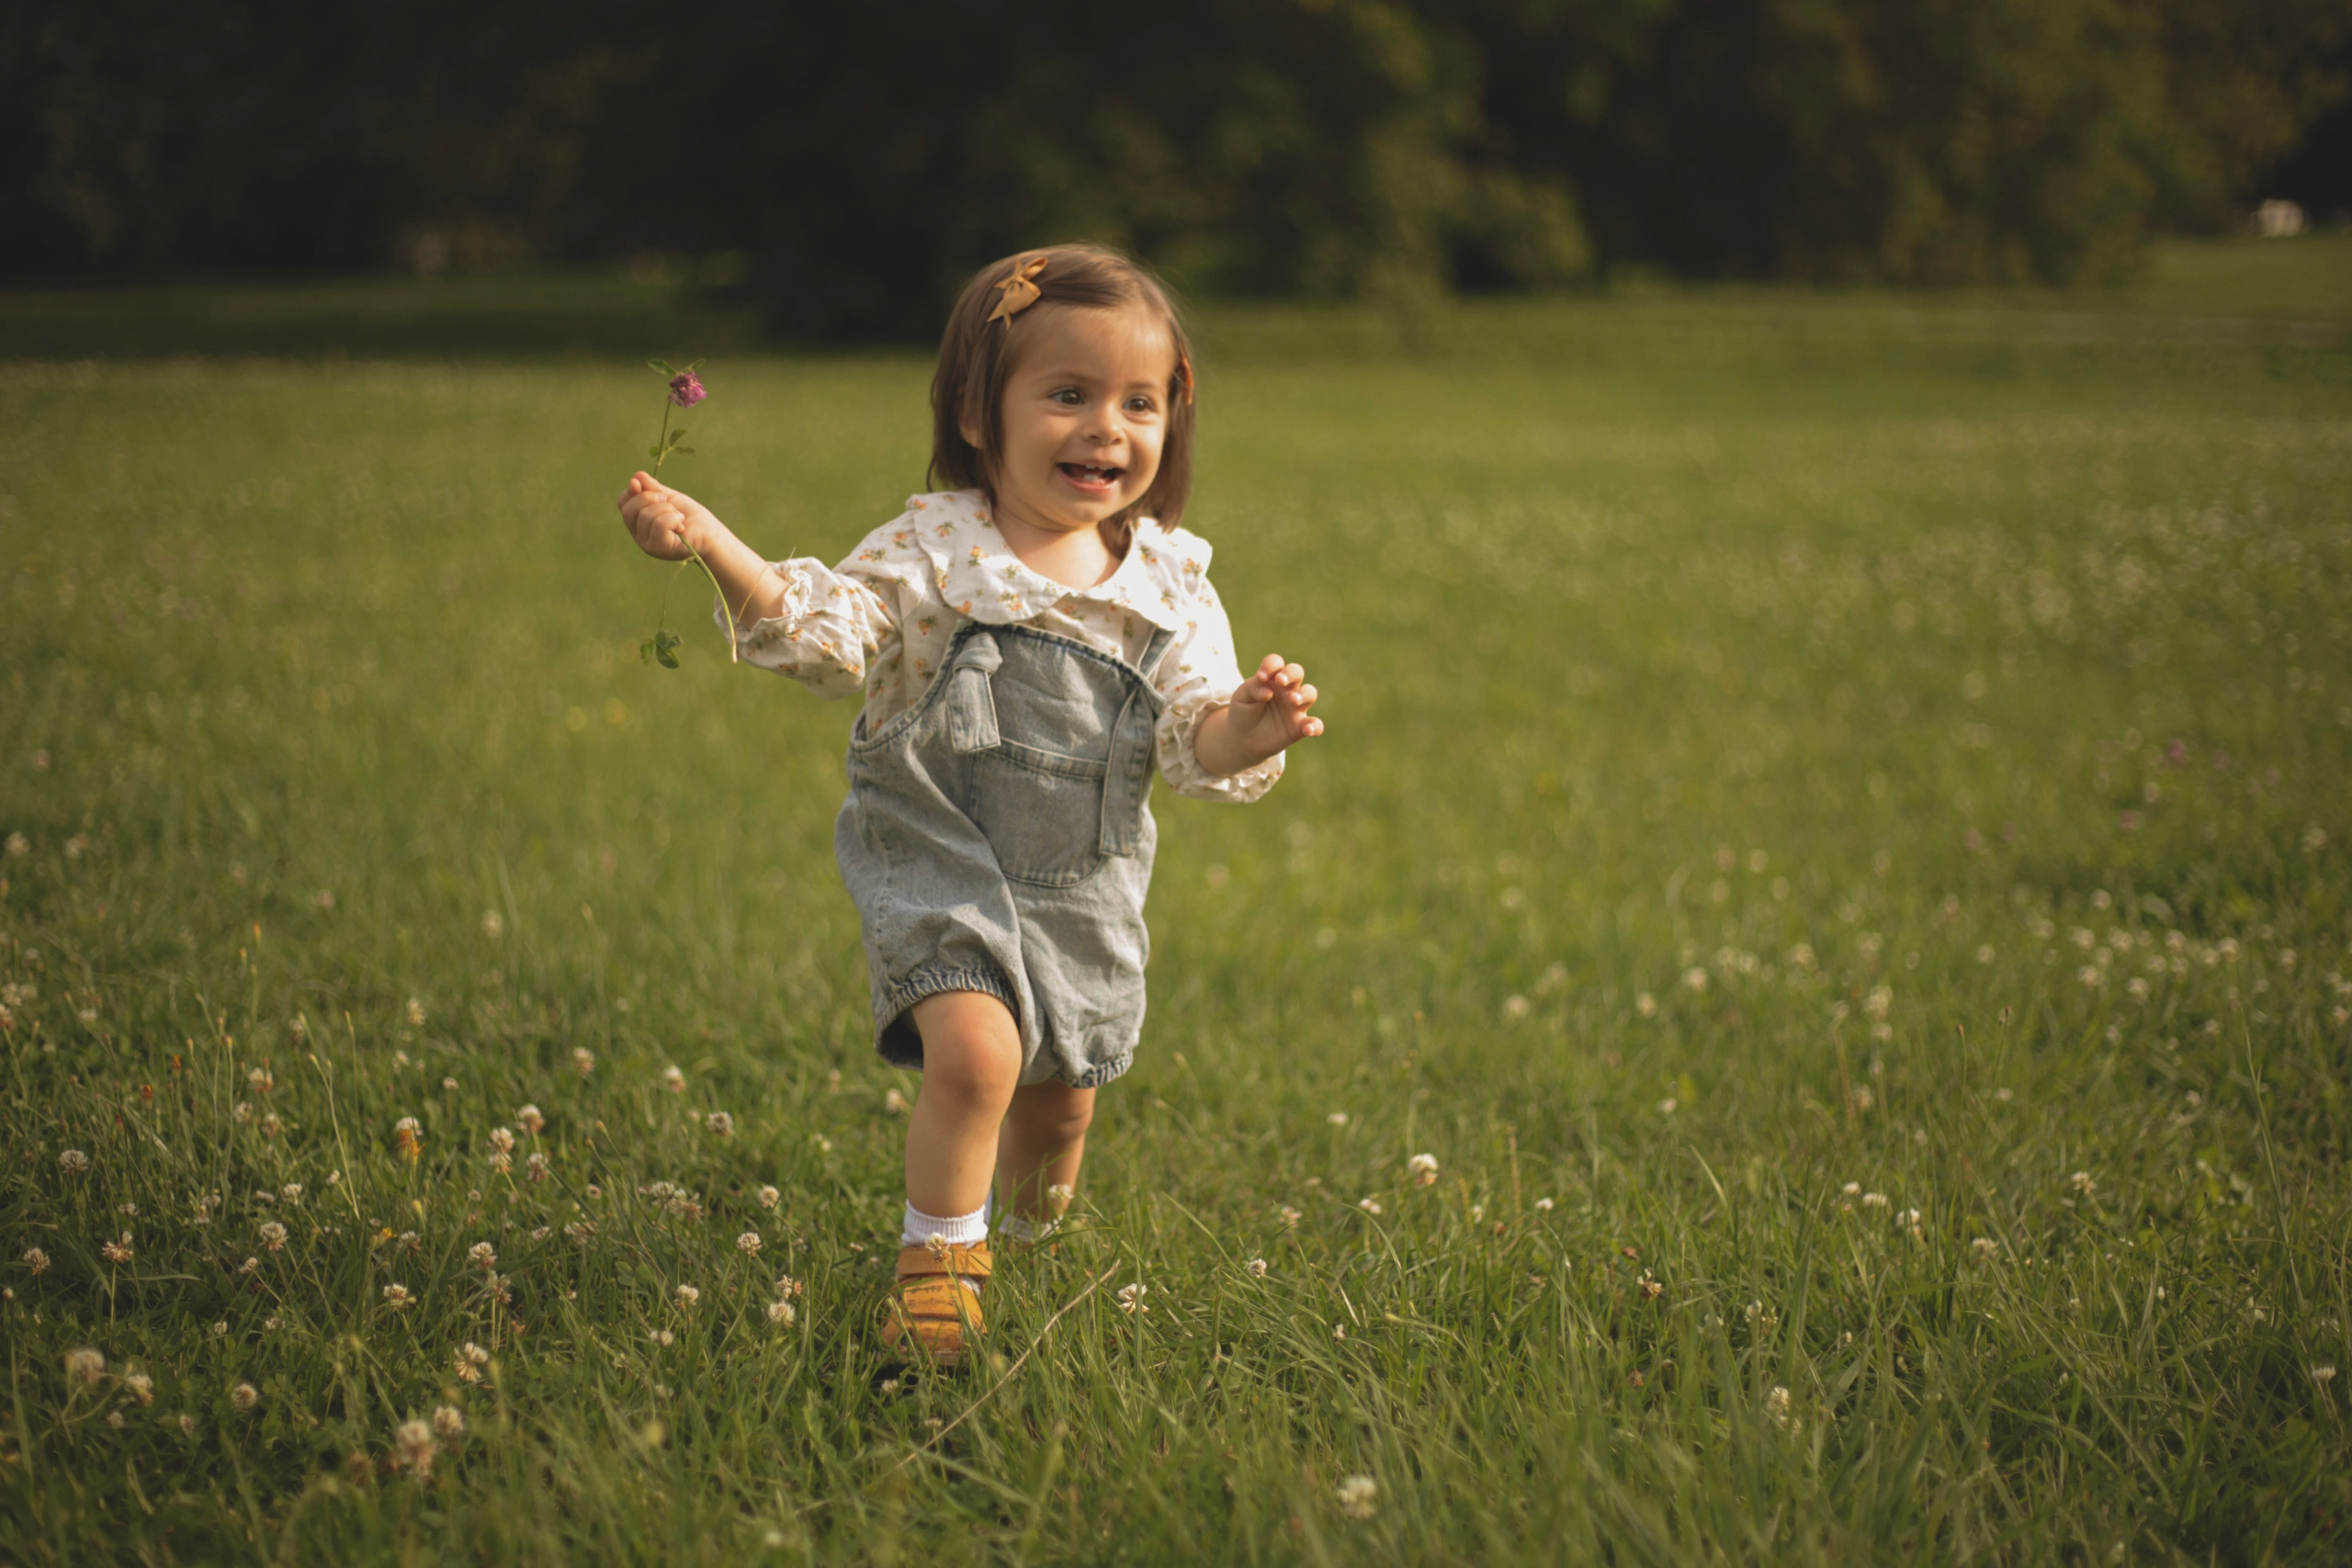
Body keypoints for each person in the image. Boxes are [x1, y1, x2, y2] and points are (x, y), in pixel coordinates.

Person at [616, 245, 1323, 1366]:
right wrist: (713, 544)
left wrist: (1250, 725)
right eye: (1068, 394)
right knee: (981, 1056)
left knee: (1061, 1100)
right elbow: (826, 637)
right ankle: (939, 1272)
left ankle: (1032, 1251)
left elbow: (1193, 740)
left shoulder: (1169, 585)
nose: (1106, 428)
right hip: (937, 849)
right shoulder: (936, 551)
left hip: (1083, 880)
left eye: (1139, 403)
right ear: (976, 413)